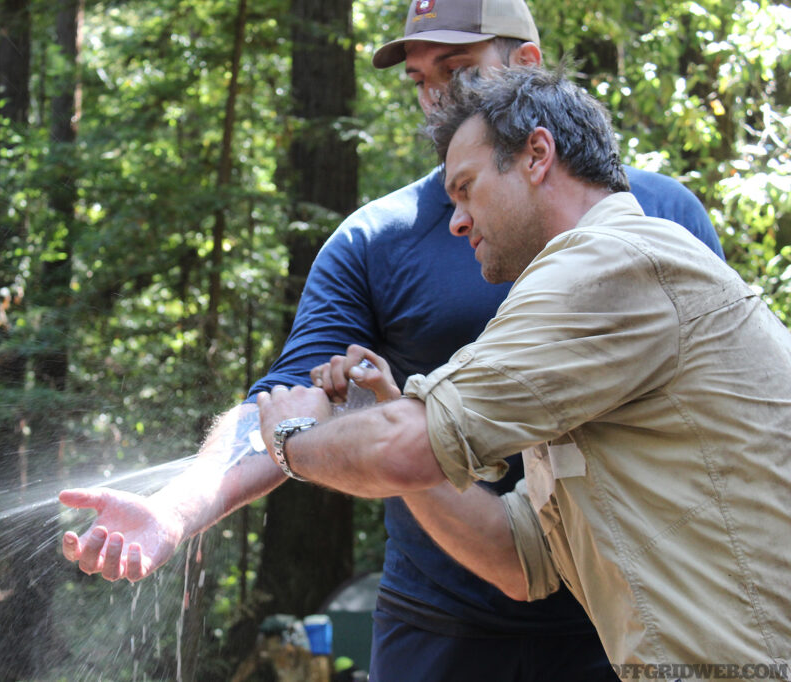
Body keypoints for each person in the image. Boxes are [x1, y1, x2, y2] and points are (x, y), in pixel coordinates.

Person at [59, 0, 724, 678]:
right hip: (441, 622)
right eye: (419, 80)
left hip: (631, 618)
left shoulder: (654, 215)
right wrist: (176, 510)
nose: (436, 99)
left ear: (526, 67)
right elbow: (288, 402)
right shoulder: (377, 239)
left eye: (459, 72)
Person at [255, 65, 791, 673]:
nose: (455, 221)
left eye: (466, 187)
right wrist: (384, 418)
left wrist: (293, 437)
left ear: (537, 155)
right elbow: (518, 560)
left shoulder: (609, 265)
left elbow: (405, 449)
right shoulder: (591, 318)